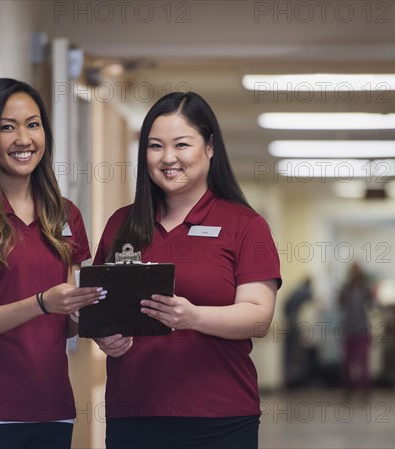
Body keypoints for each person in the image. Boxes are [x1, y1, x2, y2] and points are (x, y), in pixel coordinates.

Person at [92, 92, 282, 449]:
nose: (168, 158)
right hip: (133, 414)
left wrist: (192, 317)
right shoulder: (123, 223)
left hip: (219, 416)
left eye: (181, 144)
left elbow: (258, 318)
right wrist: (106, 336)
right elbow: (102, 305)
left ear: (210, 146)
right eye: (155, 146)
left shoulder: (245, 225)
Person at [0, 78, 104, 449]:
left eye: (33, 124)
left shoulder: (65, 214)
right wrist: (41, 303)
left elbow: (68, 322)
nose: (24, 139)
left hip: (53, 409)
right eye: (7, 127)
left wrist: (87, 316)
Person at [338, 262, 374, 395]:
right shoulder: (345, 289)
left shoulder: (365, 289)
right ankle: (348, 387)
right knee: (347, 361)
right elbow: (340, 304)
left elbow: (371, 305)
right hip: (348, 329)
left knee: (363, 361)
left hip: (362, 329)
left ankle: (365, 388)